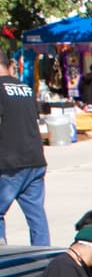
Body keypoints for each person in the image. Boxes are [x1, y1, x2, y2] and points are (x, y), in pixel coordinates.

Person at [0, 48, 50, 247]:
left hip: (8, 163)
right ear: (10, 64)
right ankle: (44, 257)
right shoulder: (25, 88)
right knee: (36, 215)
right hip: (34, 160)